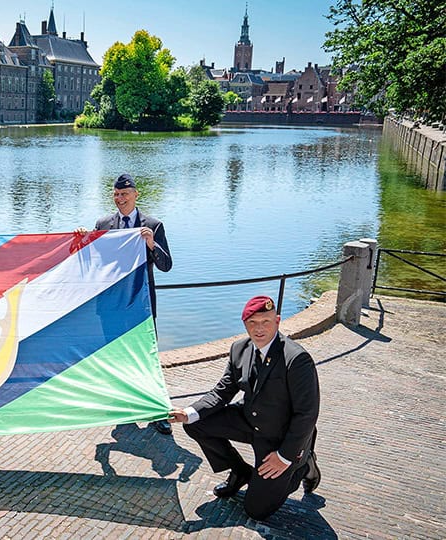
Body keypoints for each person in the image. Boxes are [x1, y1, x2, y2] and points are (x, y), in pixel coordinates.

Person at [168, 296, 322, 521]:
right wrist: (188, 412)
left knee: (256, 511)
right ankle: (240, 472)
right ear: (245, 324)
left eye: (266, 322)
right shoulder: (239, 348)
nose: (259, 329)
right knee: (196, 423)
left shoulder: (296, 358)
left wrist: (286, 457)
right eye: (253, 323)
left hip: (279, 437)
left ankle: (303, 464)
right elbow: (223, 391)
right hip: (249, 420)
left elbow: (307, 414)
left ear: (277, 321)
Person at [84, 172, 173, 435]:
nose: (120, 199)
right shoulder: (103, 223)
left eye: (124, 194)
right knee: (116, 357)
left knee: (148, 359)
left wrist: (151, 244)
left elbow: (166, 266)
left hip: (140, 305)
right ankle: (124, 407)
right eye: (116, 195)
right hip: (111, 306)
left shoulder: (153, 225)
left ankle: (158, 411)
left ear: (136, 194)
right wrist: (81, 240)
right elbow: (92, 262)